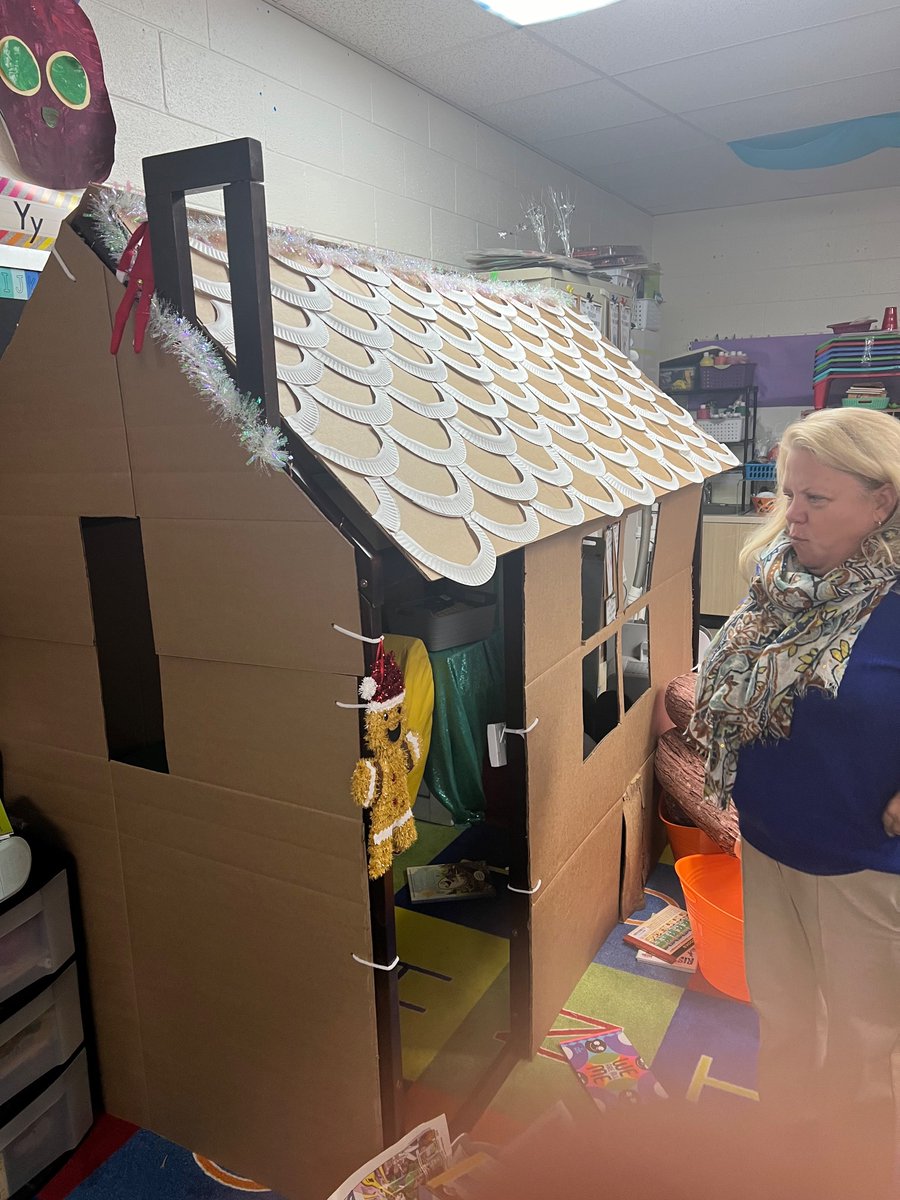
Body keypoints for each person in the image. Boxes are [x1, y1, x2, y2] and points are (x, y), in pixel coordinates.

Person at [689, 407, 900, 1192]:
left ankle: (852, 1172)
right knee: (782, 1017)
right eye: (788, 494)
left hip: (863, 863)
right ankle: (781, 1154)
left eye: (818, 498)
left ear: (881, 503)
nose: (793, 515)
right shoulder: (781, 580)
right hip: (770, 836)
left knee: (862, 1038)